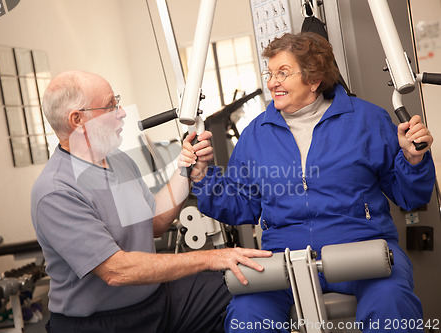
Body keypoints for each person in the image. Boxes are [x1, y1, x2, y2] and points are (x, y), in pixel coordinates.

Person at [180, 32, 435, 333]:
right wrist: (201, 175)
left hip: (360, 250)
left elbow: (409, 196)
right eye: (270, 73)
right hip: (284, 262)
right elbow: (241, 205)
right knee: (246, 316)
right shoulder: (256, 134)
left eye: (283, 73)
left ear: (314, 79)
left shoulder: (367, 121)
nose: (272, 82)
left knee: (392, 301)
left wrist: (413, 159)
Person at [30, 70, 272, 333]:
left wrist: (186, 169)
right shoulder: (56, 191)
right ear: (77, 120)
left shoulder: (116, 159)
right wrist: (212, 258)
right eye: (111, 105)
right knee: (224, 270)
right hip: (99, 324)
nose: (122, 113)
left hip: (157, 301)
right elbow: (117, 271)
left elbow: (154, 222)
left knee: (242, 287)